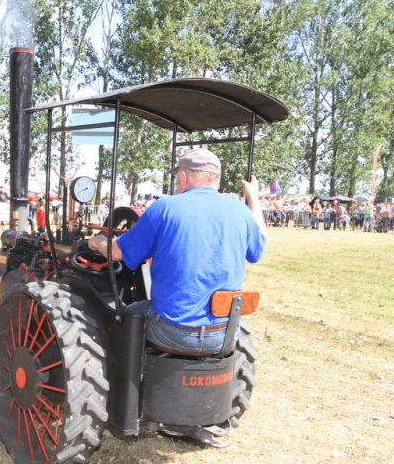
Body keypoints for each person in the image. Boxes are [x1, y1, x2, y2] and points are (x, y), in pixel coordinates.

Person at [88, 147, 265, 355]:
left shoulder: (164, 208)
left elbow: (117, 253)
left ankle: (123, 381)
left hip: (173, 331)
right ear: (216, 178)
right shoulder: (241, 212)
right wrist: (254, 198)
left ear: (183, 175)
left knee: (125, 313)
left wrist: (98, 241)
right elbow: (258, 249)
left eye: (177, 177)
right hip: (224, 332)